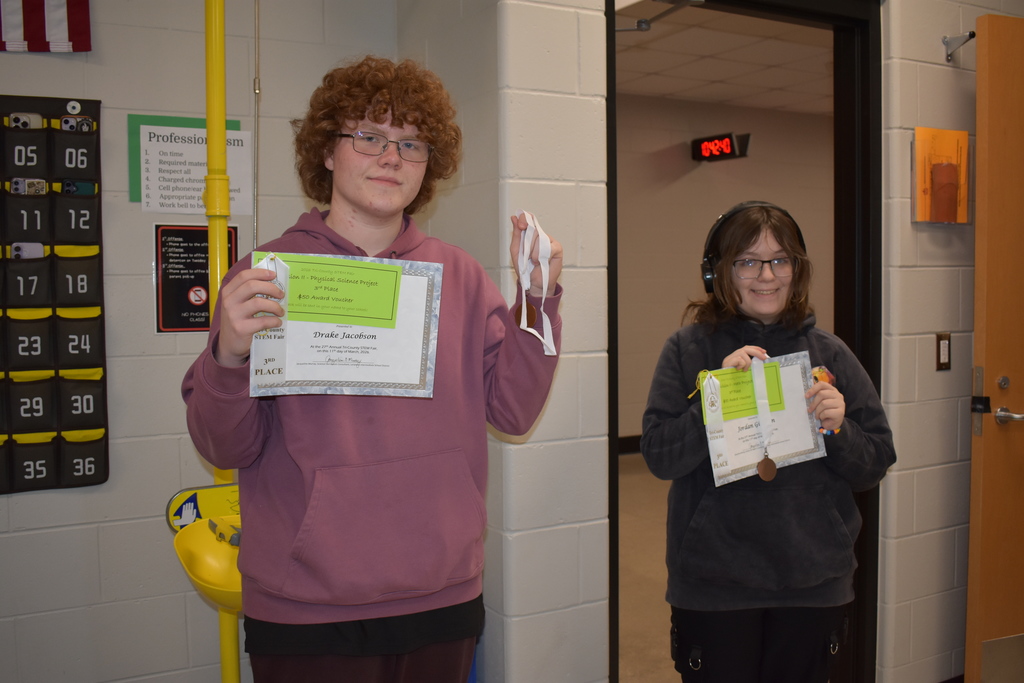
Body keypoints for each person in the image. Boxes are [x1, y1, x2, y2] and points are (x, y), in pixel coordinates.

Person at [181, 55, 563, 682]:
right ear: (327, 152)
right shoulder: (267, 275)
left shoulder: (460, 277)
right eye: (369, 136)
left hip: (440, 594)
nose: (391, 156)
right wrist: (226, 353)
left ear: (427, 165)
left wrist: (538, 301)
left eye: (410, 143)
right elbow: (225, 444)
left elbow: (513, 411)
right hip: (305, 607)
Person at [640, 201, 895, 683]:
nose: (767, 276)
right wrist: (711, 401)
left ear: (797, 271)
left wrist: (839, 429)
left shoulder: (829, 351)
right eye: (748, 261)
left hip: (812, 583)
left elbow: (876, 462)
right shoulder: (686, 350)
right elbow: (658, 456)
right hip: (715, 585)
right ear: (718, 274)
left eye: (780, 260)